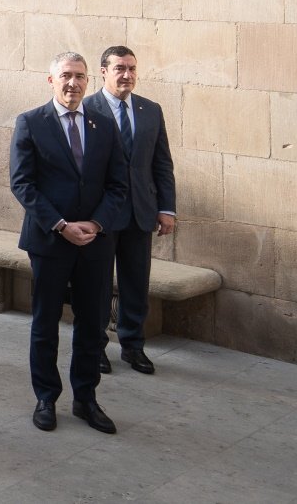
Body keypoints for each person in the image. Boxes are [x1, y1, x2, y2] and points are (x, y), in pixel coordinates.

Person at [11, 51, 129, 435]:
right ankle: (46, 397)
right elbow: (22, 184)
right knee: (45, 322)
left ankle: (86, 399)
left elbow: (118, 185)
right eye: (65, 75)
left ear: (87, 81)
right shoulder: (31, 122)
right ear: (51, 80)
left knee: (93, 323)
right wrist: (61, 225)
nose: (72, 83)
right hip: (50, 241)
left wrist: (95, 223)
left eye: (79, 76)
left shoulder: (104, 126)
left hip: (95, 243)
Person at [83, 45, 174, 377]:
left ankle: (133, 346)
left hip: (141, 213)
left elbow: (161, 164)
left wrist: (167, 209)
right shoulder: (86, 108)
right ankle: (95, 348)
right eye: (120, 68)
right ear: (104, 71)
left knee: (137, 283)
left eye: (132, 69)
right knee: (98, 285)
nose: (127, 75)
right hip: (102, 215)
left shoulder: (151, 110)